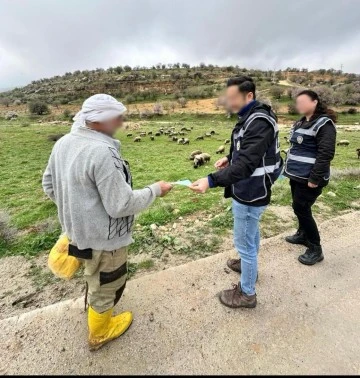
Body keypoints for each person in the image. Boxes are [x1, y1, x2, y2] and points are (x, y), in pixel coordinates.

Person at [42, 94, 173, 350]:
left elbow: (48, 184)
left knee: (92, 274)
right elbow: (121, 205)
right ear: (100, 120)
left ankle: (93, 310)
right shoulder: (102, 151)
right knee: (107, 285)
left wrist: (77, 213)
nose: (122, 122)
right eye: (117, 117)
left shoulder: (64, 143)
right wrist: (155, 190)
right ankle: (100, 332)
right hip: (106, 240)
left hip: (75, 232)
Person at [189, 77, 282, 309]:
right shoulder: (250, 118)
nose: (229, 102)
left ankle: (247, 294)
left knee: (245, 242)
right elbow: (248, 151)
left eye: (233, 98)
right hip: (249, 187)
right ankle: (248, 266)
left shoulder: (259, 121)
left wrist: (210, 180)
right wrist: (229, 157)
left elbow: (247, 165)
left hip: (252, 190)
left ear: (249, 95)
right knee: (252, 232)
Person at [284, 90, 336, 265]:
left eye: (302, 101)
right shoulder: (300, 122)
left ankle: (315, 248)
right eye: (297, 102)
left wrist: (315, 178)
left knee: (302, 208)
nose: (298, 105)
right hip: (296, 175)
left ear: (314, 102)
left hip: (310, 178)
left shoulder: (324, 124)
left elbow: (326, 153)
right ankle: (302, 234)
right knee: (299, 207)